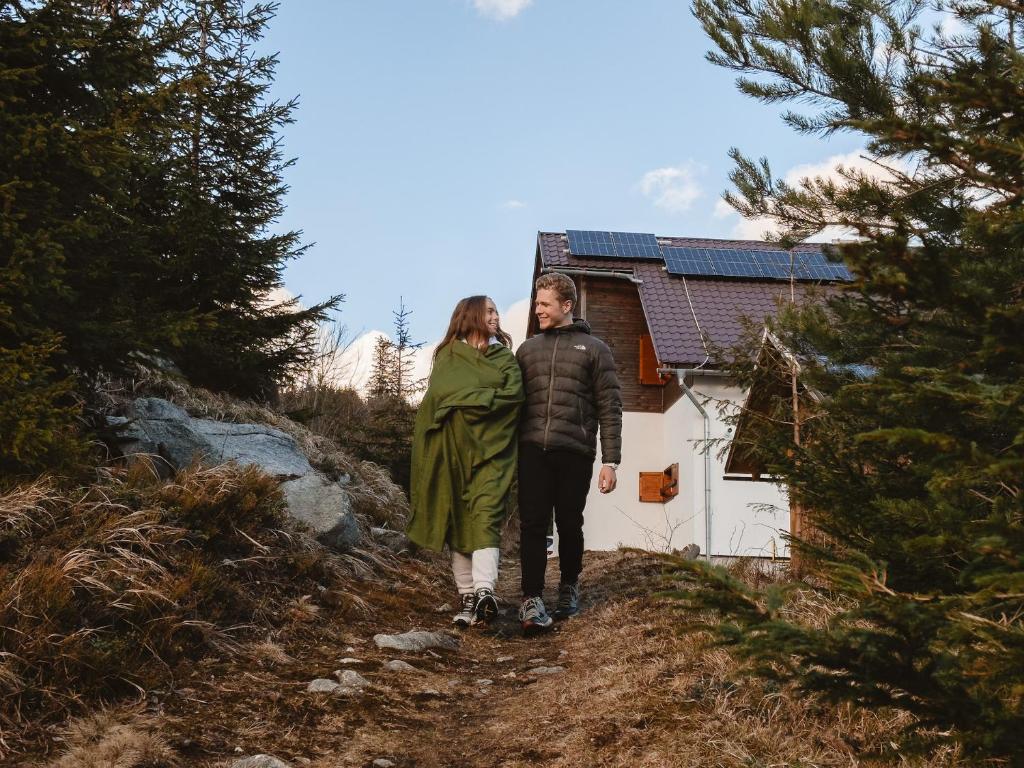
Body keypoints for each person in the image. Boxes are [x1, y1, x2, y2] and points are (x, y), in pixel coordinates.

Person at [406, 296, 524, 627]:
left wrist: (467, 400)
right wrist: (484, 397)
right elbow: (441, 395)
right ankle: (467, 596)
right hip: (450, 452)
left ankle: (485, 592)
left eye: (497, 311)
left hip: (492, 451)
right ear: (470, 315)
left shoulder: (504, 358)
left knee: (485, 517)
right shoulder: (448, 356)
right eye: (489, 311)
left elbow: (513, 397)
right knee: (457, 521)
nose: (496, 316)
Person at [515, 273, 622, 634]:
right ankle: (531, 597)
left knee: (569, 523)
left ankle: (568, 587)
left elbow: (610, 407)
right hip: (531, 449)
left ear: (566, 306)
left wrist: (611, 461)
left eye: (544, 304)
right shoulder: (527, 350)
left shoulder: (595, 349)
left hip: (575, 451)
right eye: (536, 303)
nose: (537, 309)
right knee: (531, 523)